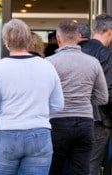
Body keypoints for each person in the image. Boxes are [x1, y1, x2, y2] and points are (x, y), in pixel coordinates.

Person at [0, 19, 64, 175]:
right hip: (40, 133)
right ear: (28, 40)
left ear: (6, 43)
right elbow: (58, 105)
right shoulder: (47, 66)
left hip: (6, 133)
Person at [46, 19, 108, 175]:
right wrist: (85, 99)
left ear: (58, 38)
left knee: (54, 168)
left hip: (57, 122)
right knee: (81, 169)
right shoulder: (93, 63)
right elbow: (103, 97)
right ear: (78, 36)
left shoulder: (49, 63)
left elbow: (42, 95)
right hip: (85, 123)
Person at [78, 14, 112, 175]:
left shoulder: (79, 50)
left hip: (74, 116)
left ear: (93, 30)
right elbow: (108, 92)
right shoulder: (107, 55)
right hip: (99, 118)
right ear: (110, 32)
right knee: (92, 165)